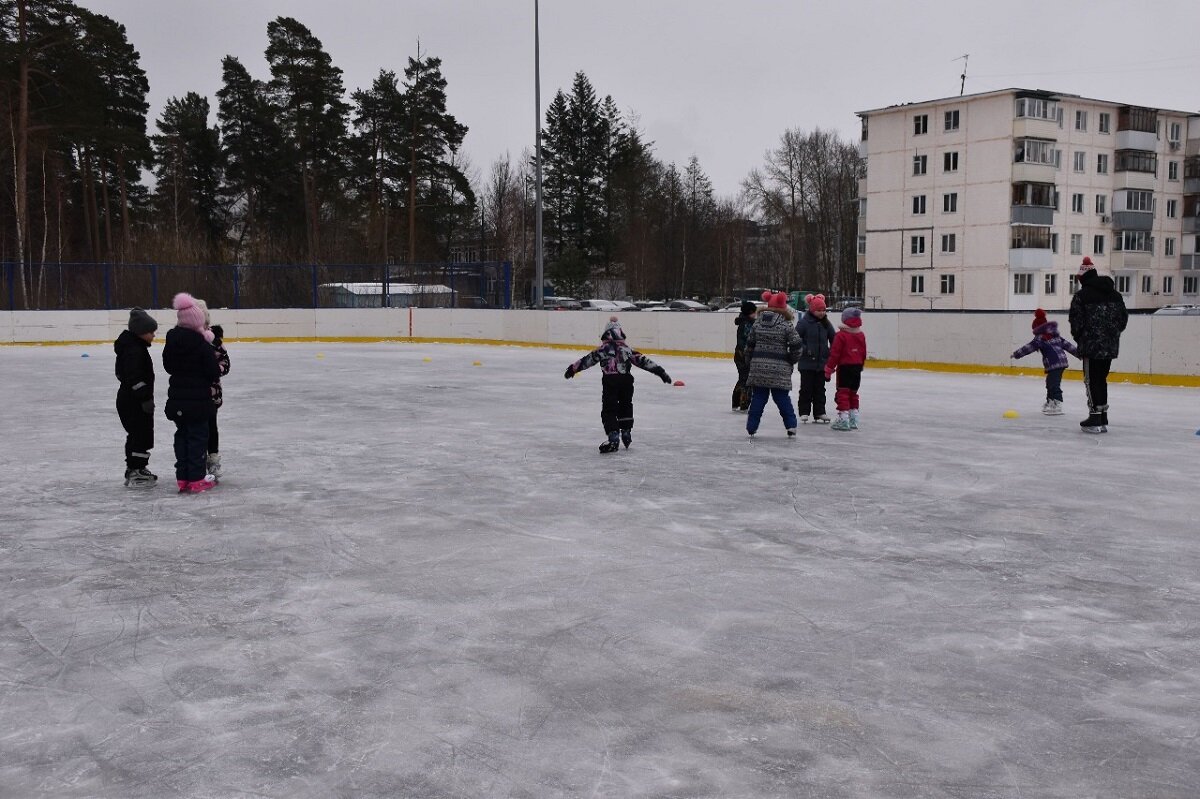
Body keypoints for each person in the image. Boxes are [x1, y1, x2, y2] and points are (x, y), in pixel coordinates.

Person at [564, 316, 671, 453]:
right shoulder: (626, 349)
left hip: (610, 381)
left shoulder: (603, 349)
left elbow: (587, 360)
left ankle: (614, 435)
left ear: (606, 333)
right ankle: (626, 432)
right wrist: (660, 372)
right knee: (626, 405)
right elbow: (643, 361)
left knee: (609, 409)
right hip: (626, 380)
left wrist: (573, 369)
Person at [162, 293, 221, 492]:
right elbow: (213, 372)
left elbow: (168, 366)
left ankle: (183, 478)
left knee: (182, 437)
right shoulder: (201, 345)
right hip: (198, 402)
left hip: (177, 400)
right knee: (197, 438)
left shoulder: (171, 342)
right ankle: (196, 479)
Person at [1069, 257, 1128, 433]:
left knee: (1091, 380)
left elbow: (1076, 322)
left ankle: (1095, 417)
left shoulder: (1081, 296)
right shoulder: (1115, 295)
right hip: (1110, 346)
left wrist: (1080, 338)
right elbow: (1123, 319)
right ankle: (1102, 416)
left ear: (1083, 278)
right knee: (1101, 379)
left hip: (1090, 346)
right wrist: (1112, 335)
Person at [744, 291, 801, 438]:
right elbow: (796, 345)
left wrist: (750, 362)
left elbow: (749, 345)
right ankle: (791, 426)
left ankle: (751, 427)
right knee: (782, 398)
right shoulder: (786, 324)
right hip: (780, 368)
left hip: (758, 367)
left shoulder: (757, 323)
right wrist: (791, 359)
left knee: (758, 398)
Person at [114, 308, 159, 487]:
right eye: (151, 332)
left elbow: (121, 374)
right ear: (141, 332)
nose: (154, 335)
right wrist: (144, 397)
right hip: (134, 402)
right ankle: (135, 470)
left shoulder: (132, 347)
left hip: (130, 399)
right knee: (140, 434)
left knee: (139, 434)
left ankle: (136, 467)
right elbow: (133, 377)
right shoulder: (134, 350)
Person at [1011, 308, 1079, 415]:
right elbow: (1068, 345)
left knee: (1054, 384)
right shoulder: (1055, 335)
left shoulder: (1040, 338)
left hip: (1055, 363)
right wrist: (1079, 354)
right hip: (1060, 362)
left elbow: (1029, 347)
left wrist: (1016, 354)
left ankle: (1057, 403)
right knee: (1050, 383)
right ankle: (1050, 402)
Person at [194, 299, 230, 478]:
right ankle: (196, 460)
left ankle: (213, 459)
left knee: (211, 427)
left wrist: (214, 370)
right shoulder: (188, 339)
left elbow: (225, 363)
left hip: (211, 394)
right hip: (192, 393)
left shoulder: (214, 340)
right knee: (195, 428)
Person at [795, 293, 836, 423]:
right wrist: (806, 349)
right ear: (812, 310)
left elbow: (834, 339)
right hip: (806, 363)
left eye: (824, 310)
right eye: (819, 310)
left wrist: (830, 353)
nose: (822, 313)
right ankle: (804, 412)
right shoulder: (804, 323)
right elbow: (796, 339)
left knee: (820, 389)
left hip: (822, 363)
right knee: (806, 389)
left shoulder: (826, 323)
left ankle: (820, 412)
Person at [824, 306, 867, 432]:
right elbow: (863, 352)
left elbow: (835, 354)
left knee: (843, 393)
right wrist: (861, 365)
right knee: (853, 393)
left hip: (845, 368)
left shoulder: (841, 335)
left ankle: (843, 419)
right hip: (857, 367)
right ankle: (853, 418)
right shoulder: (861, 335)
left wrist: (828, 369)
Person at [731, 300, 757, 412]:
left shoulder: (745, 321)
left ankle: (736, 402)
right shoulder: (747, 324)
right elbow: (749, 340)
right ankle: (744, 404)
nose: (756, 314)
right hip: (744, 354)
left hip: (740, 353)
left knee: (743, 378)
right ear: (750, 312)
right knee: (746, 379)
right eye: (754, 312)